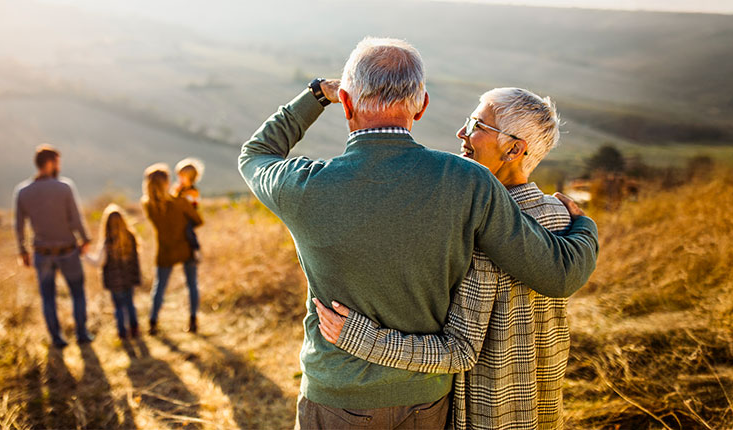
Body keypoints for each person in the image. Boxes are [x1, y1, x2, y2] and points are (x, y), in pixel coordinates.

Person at [238, 37, 599, 429]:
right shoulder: (469, 181)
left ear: (346, 102)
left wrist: (315, 96)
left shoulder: (303, 185)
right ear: (422, 106)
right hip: (427, 402)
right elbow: (558, 274)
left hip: (337, 399)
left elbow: (256, 154)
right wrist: (583, 226)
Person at [317, 88, 579, 429]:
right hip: (543, 410)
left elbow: (460, 350)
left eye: (476, 126)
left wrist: (361, 338)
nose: (461, 133)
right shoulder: (562, 215)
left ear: (514, 149)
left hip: (487, 417)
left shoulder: (477, 231)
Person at [14, 144, 93, 348]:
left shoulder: (23, 191)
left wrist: (22, 251)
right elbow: (76, 219)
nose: (59, 166)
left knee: (48, 297)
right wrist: (86, 239)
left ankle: (57, 338)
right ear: (50, 163)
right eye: (57, 162)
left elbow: (19, 226)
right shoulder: (64, 187)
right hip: (67, 250)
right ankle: (82, 334)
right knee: (77, 292)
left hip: (42, 253)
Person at [142, 163, 203, 335]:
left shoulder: (148, 205)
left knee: (159, 287)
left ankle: (153, 322)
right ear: (166, 183)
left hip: (165, 250)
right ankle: (193, 320)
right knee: (192, 284)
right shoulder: (180, 202)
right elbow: (198, 220)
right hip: (185, 247)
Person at [85, 204, 142, 340]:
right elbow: (136, 258)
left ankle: (122, 333)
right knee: (130, 304)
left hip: (114, 282)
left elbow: (98, 262)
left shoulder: (107, 242)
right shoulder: (131, 237)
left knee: (119, 307)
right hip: (129, 279)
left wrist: (84, 255)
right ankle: (134, 329)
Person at [174, 158, 204, 262]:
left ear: (190, 178)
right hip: (179, 217)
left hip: (189, 217)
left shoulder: (193, 191)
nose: (180, 179)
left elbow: (192, 204)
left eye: (182, 177)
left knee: (188, 231)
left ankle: (196, 248)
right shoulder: (179, 189)